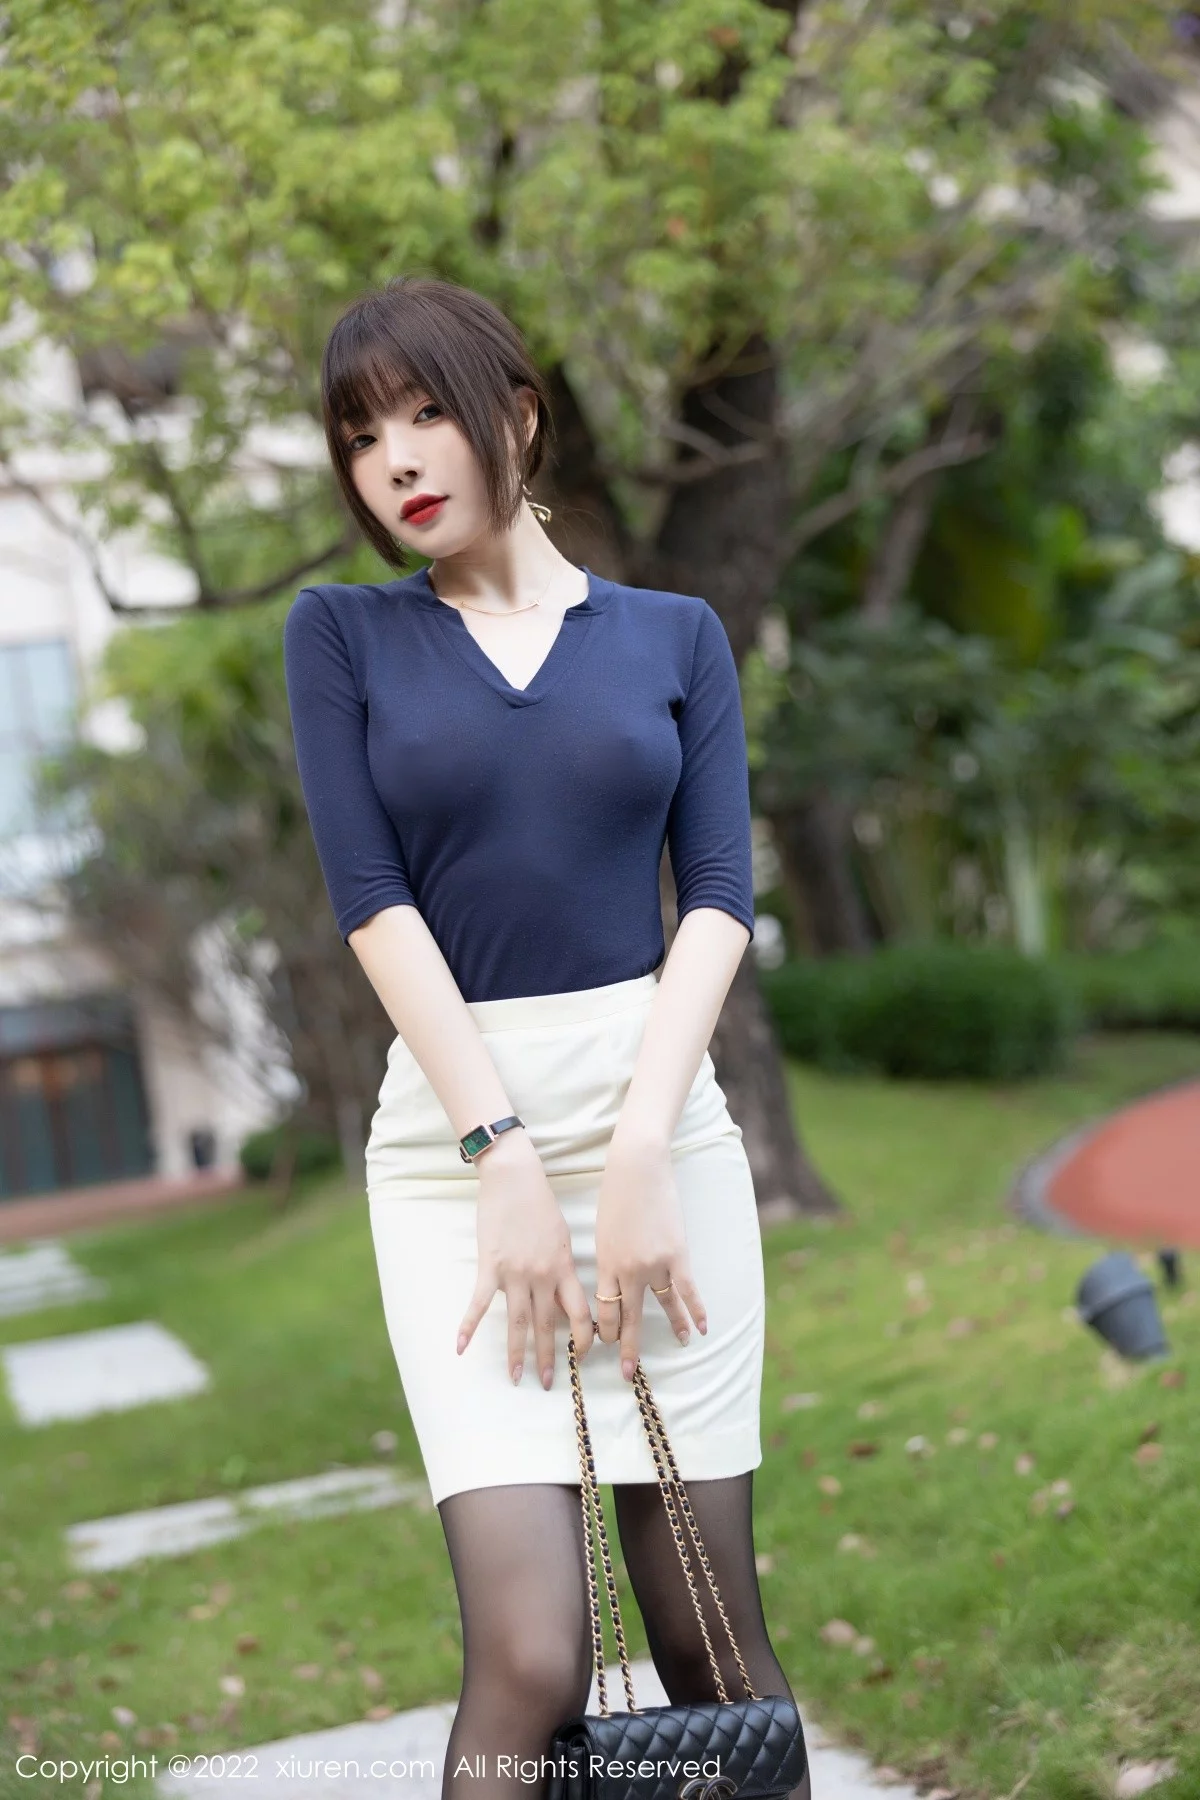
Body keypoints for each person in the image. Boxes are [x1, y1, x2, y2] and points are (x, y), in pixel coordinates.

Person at [283, 276, 810, 1800]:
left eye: (424, 412)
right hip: (458, 1171)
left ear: (516, 415)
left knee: (712, 1642)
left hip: (662, 1144)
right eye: (360, 434)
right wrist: (498, 1150)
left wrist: (640, 1147)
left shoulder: (674, 637)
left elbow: (718, 897)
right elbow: (373, 902)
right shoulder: (345, 638)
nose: (394, 458)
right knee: (530, 1658)